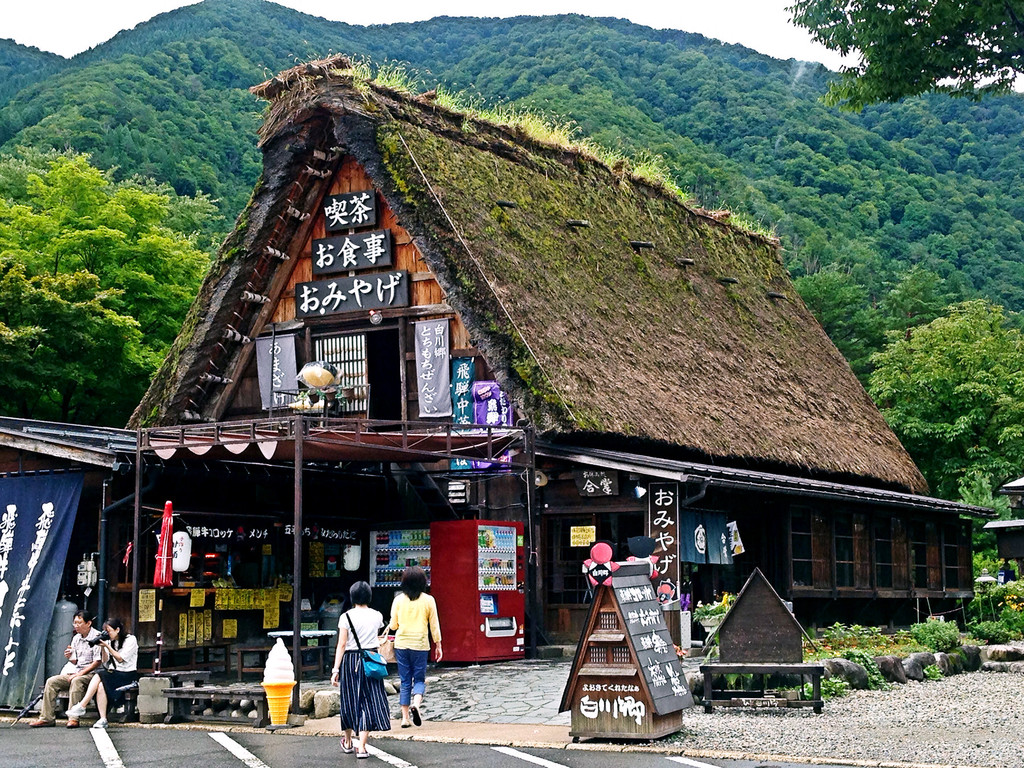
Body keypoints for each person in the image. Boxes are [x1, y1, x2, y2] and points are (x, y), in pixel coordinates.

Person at [330, 581, 391, 758]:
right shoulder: (377, 616)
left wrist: (335, 669)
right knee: (368, 701)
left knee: (349, 700)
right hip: (371, 659)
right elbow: (378, 634)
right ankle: (362, 747)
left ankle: (348, 742)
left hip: (350, 660)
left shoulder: (346, 617)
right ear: (369, 596)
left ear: (352, 596)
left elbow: (341, 644)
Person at [387, 565, 442, 728]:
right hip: (420, 644)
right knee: (419, 679)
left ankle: (404, 718)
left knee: (405, 681)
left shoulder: (398, 600)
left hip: (402, 644)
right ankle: (416, 705)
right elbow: (434, 625)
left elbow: (393, 625)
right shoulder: (428, 600)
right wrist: (438, 644)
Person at [64, 617, 139, 729]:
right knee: (100, 685)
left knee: (100, 674)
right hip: (114, 673)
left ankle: (82, 705)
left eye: (109, 631)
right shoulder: (110, 641)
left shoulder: (130, 639)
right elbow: (105, 661)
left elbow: (120, 659)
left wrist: (107, 646)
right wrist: (103, 648)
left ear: (117, 630)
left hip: (128, 674)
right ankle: (103, 719)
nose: (108, 634)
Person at [31, 610, 101, 728]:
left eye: (79, 623)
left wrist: (79, 674)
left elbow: (97, 662)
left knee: (76, 681)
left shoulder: (97, 637)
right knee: (52, 681)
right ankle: (47, 717)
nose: (76, 626)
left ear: (88, 623)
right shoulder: (76, 638)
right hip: (77, 670)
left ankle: (73, 718)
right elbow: (76, 661)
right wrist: (70, 657)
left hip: (93, 674)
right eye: (74, 623)